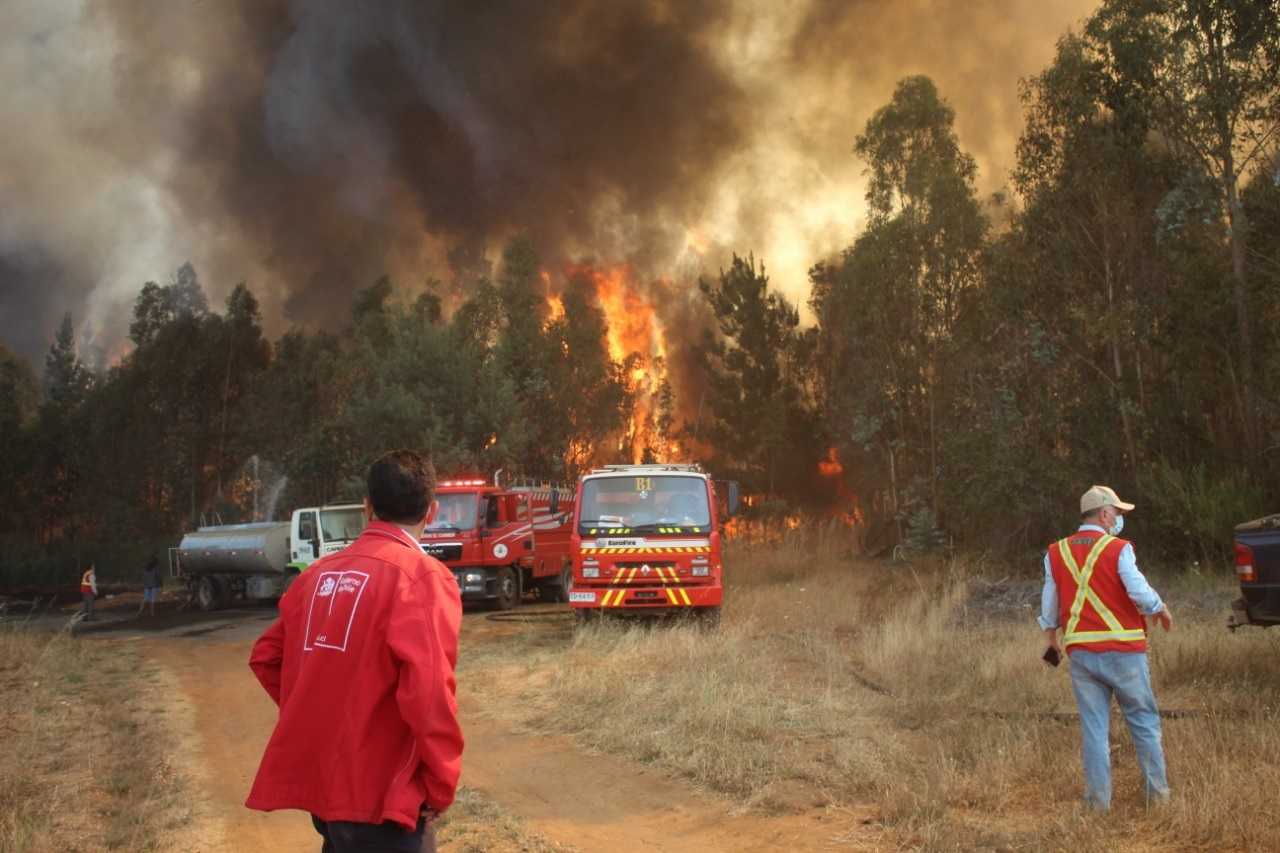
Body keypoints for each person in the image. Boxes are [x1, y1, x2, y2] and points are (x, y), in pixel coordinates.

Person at [245, 450, 464, 852]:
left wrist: (323, 715)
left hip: (329, 794)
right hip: (383, 800)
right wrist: (440, 785)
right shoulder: (423, 579)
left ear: (367, 508)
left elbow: (266, 657)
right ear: (431, 511)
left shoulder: (316, 576)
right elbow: (430, 694)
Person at [1039, 485, 1173, 810]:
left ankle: (1097, 804)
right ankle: (1158, 800)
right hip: (1124, 652)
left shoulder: (1056, 552)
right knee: (1143, 721)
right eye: (1117, 513)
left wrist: (1050, 642)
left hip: (1082, 654)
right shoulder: (1118, 548)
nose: (1119, 518)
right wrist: (1159, 607)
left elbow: (1049, 603)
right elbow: (1138, 590)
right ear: (1104, 513)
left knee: (1094, 728)